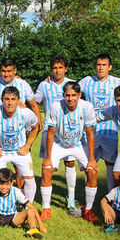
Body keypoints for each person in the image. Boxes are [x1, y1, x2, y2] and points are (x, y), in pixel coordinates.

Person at [40, 81, 99, 222]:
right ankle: (46, 208)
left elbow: (90, 134)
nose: (70, 99)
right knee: (47, 169)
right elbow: (50, 133)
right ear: (63, 95)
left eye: (74, 95)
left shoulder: (87, 107)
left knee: (91, 170)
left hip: (78, 144)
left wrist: (92, 158)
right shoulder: (56, 107)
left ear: (79, 95)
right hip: (59, 144)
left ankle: (88, 210)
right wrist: (48, 157)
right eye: (67, 95)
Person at [0, 86, 39, 202]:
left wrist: (27, 146)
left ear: (18, 100)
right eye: (7, 99)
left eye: (13, 99)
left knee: (29, 179)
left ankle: (27, 206)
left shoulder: (25, 113)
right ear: (2, 100)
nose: (10, 103)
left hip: (20, 151)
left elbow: (36, 127)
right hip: (0, 151)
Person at [32, 56, 77, 209]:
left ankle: (71, 198)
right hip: (49, 129)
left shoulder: (72, 84)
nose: (57, 71)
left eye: (60, 67)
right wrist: (37, 119)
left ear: (66, 69)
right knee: (47, 164)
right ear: (51, 69)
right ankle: (46, 202)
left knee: (70, 162)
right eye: (55, 68)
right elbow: (35, 102)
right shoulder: (44, 85)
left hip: (68, 129)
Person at [79, 54, 120, 192]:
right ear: (95, 66)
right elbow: (70, 89)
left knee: (111, 163)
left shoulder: (117, 82)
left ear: (109, 67)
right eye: (98, 65)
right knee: (89, 164)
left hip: (110, 130)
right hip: (90, 131)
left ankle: (112, 194)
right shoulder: (87, 81)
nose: (101, 68)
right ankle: (88, 197)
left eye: (104, 65)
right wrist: (50, 79)